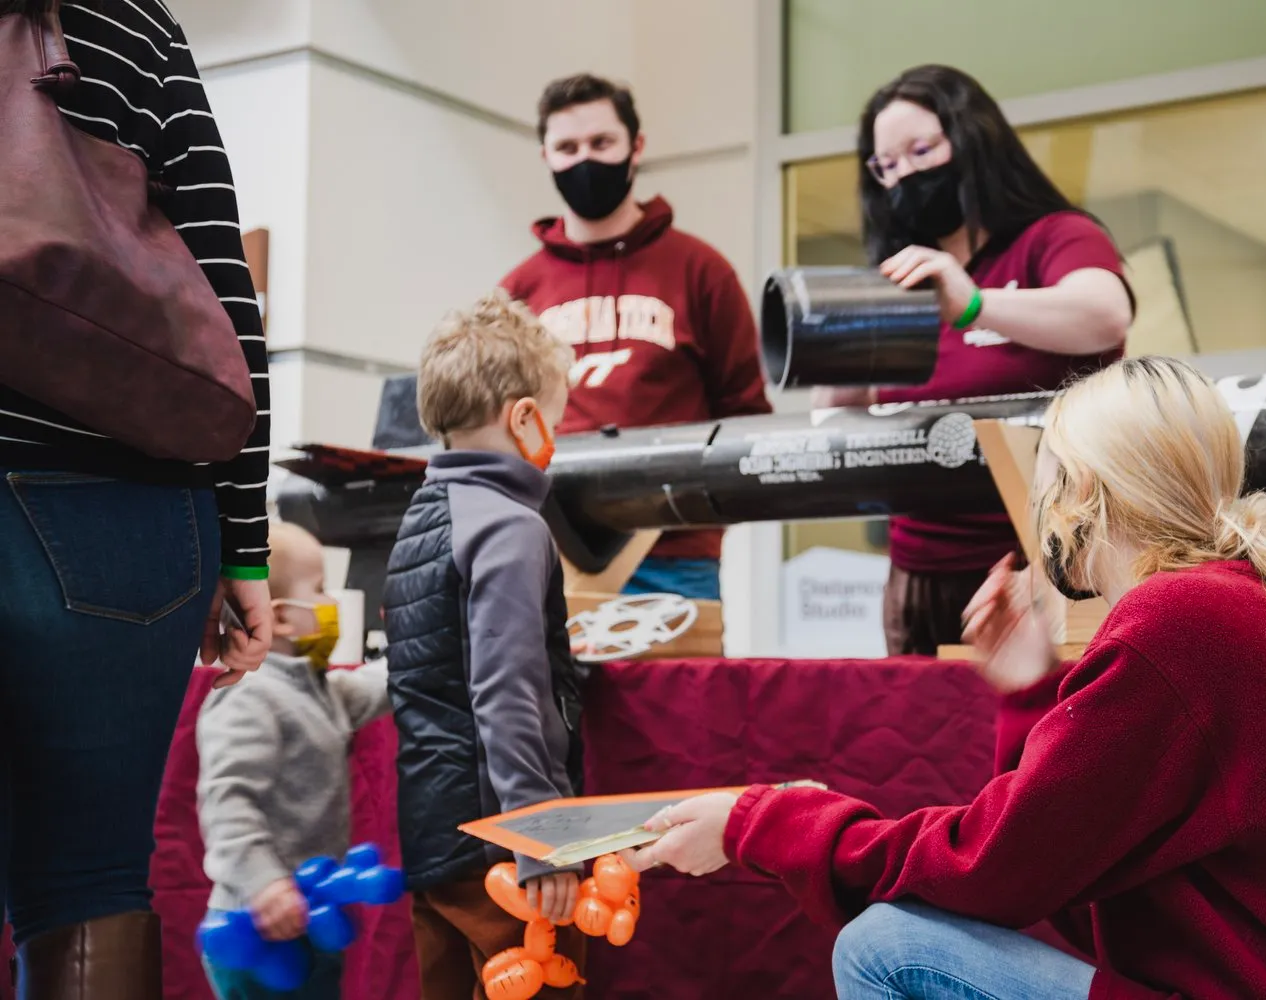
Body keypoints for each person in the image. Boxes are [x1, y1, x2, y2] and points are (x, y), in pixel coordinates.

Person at [629, 357, 1266, 999]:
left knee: (884, 949)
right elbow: (1058, 869)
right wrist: (1029, 691)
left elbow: (992, 868)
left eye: (1053, 477)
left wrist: (760, 821)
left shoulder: (1181, 623)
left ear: (1084, 489)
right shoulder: (1236, 604)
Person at [0, 1, 272, 993]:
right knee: (90, 876)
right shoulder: (131, 21)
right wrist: (246, 546)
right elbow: (222, 295)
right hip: (124, 508)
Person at [813, 64, 1133, 656]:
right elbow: (837, 412)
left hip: (1043, 566)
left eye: (920, 151)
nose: (904, 174)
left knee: (1036, 745)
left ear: (971, 140)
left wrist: (975, 304)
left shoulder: (1053, 238)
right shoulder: (903, 278)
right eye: (886, 165)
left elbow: (1106, 314)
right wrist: (842, 352)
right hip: (916, 570)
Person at [384, 290, 589, 1000]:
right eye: (556, 422)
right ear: (525, 417)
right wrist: (542, 837)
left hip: (435, 834)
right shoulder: (509, 526)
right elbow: (505, 689)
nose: (554, 442)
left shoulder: (422, 518)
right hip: (502, 846)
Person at [501, 73, 772, 601]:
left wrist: (703, 517)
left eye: (602, 143)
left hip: (673, 557)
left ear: (636, 147)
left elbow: (744, 417)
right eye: (567, 147)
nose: (585, 160)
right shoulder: (517, 291)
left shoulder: (701, 271)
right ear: (546, 158)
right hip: (544, 555)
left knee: (680, 689)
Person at [197, 522, 391, 1000]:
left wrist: (430, 644)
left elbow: (380, 684)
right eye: (321, 590)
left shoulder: (314, 686)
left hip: (309, 916)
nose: (332, 603)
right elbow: (227, 800)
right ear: (281, 618)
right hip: (257, 926)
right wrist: (265, 885)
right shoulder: (249, 696)